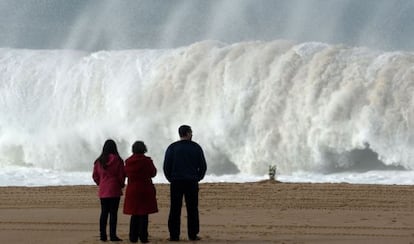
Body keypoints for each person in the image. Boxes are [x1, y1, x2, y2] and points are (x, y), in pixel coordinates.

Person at [163, 125, 207, 241]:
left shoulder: (172, 147)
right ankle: (192, 234)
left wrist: (170, 178)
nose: (192, 135)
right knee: (192, 208)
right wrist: (198, 177)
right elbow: (203, 166)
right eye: (191, 133)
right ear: (187, 133)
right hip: (191, 181)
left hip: (176, 181)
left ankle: (174, 235)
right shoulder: (196, 147)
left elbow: (166, 166)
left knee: (175, 208)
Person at [123, 141, 158, 243]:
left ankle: (133, 237)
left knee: (134, 214)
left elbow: (125, 173)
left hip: (133, 189)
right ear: (144, 149)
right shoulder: (147, 161)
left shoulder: (128, 162)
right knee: (144, 214)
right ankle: (143, 237)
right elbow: (153, 173)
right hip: (145, 189)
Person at [92, 139, 126, 242]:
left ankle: (103, 235)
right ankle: (113, 235)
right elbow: (121, 175)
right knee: (113, 214)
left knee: (104, 213)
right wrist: (121, 184)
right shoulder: (118, 160)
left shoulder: (99, 161)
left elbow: (95, 176)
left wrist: (100, 183)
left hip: (103, 190)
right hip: (114, 189)